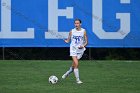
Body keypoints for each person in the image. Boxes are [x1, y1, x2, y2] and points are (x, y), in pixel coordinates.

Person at [62, 19, 88, 84]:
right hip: (73, 50)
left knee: (74, 66)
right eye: (75, 23)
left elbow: (86, 42)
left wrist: (83, 45)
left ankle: (67, 73)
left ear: (80, 24)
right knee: (76, 64)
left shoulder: (83, 31)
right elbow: (68, 41)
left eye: (78, 23)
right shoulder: (71, 31)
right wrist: (66, 41)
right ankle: (78, 80)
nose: (76, 24)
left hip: (80, 50)